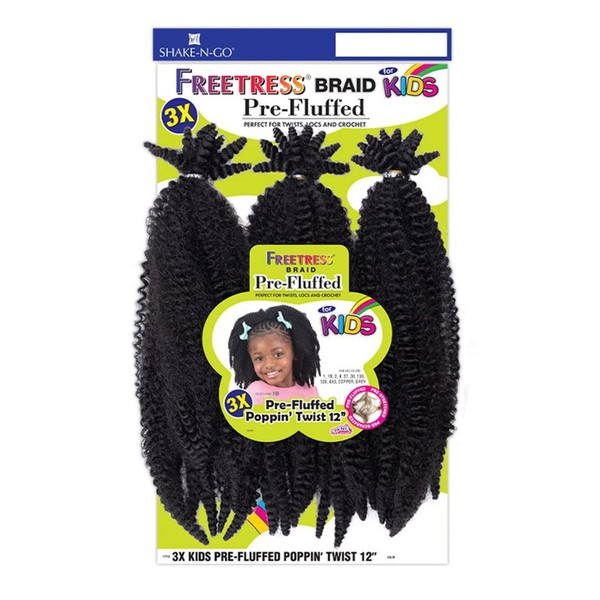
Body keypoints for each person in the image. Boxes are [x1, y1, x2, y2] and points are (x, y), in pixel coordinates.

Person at [228, 305, 321, 403]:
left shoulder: (311, 392)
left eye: (278, 354)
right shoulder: (254, 394)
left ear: (295, 352)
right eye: (259, 358)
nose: (269, 364)